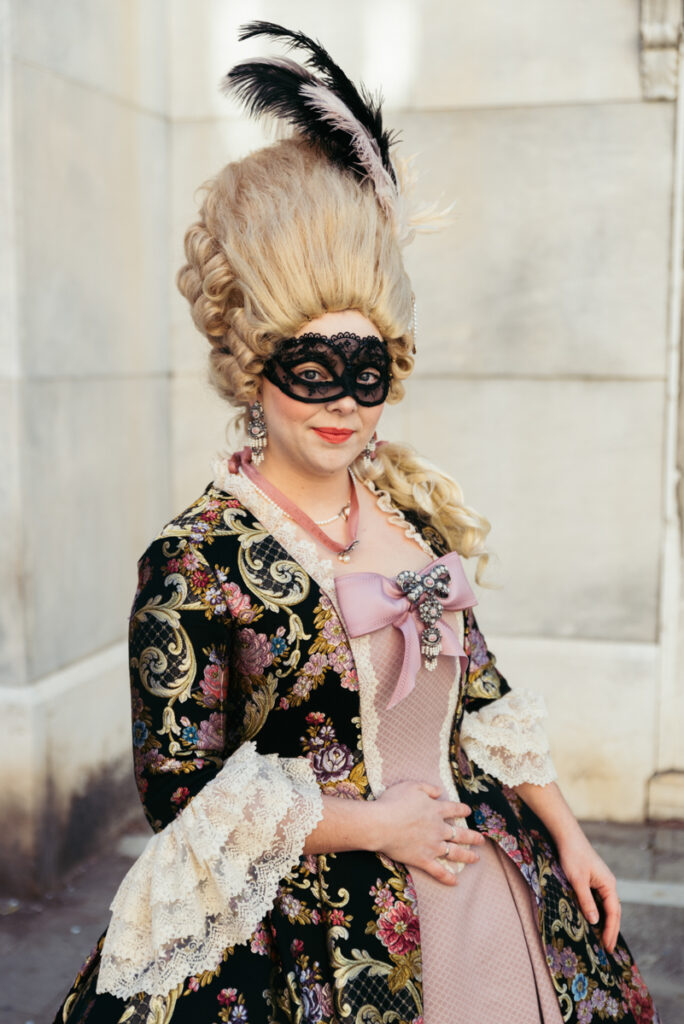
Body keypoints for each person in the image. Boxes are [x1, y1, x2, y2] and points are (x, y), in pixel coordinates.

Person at [54, 21, 660, 1024]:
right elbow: (183, 793)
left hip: (482, 891)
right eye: (312, 369)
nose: (343, 402)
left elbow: (490, 695)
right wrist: (375, 822)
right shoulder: (200, 557)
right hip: (320, 933)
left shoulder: (411, 513)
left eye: (366, 370)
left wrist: (572, 835)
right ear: (257, 371)